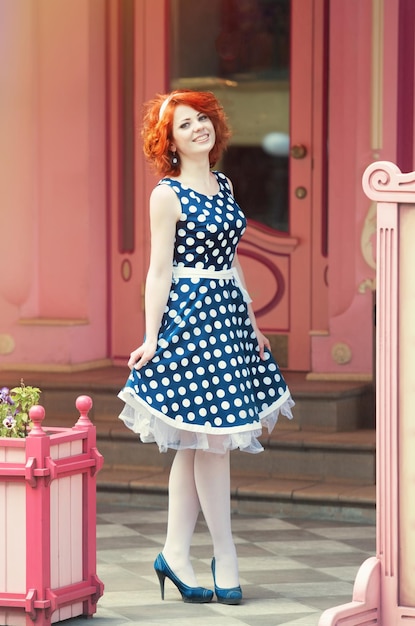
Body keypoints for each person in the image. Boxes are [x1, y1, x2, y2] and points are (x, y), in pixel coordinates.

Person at [118, 89, 294, 605]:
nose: (199, 128)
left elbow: (232, 262)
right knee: (209, 442)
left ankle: (175, 553)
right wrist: (152, 337)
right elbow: (158, 271)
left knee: (201, 443)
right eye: (184, 125)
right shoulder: (166, 195)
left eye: (202, 119)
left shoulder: (224, 183)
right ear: (169, 142)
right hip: (192, 319)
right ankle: (225, 552)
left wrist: (253, 320)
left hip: (229, 320)